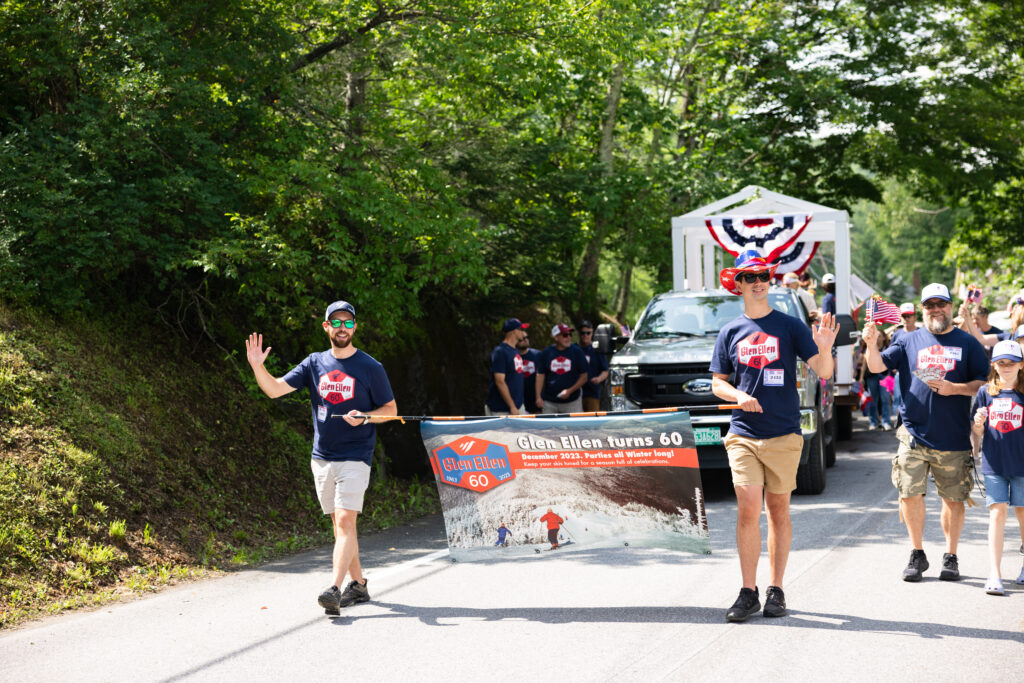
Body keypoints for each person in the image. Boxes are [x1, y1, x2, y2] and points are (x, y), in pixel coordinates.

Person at [245, 300, 397, 615]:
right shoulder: (314, 363)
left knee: (345, 520)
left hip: (356, 455)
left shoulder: (371, 367)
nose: (343, 328)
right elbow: (274, 390)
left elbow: (391, 412)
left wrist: (366, 416)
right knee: (342, 525)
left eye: (348, 322)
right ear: (326, 327)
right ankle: (359, 585)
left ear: (355, 327)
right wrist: (257, 366)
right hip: (322, 458)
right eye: (336, 322)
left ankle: (334, 589)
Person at [710, 250, 838, 622]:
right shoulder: (730, 331)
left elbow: (823, 371)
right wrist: (739, 396)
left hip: (783, 434)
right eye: (750, 277)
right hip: (743, 434)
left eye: (763, 274)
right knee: (749, 507)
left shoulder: (790, 325)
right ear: (739, 284)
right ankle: (747, 592)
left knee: (777, 510)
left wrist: (826, 349)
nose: (759, 282)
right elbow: (717, 384)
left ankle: (776, 588)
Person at [862, 283, 989, 583]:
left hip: (954, 436)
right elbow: (878, 366)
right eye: (929, 305)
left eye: (941, 304)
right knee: (909, 493)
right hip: (913, 433)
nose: (936, 309)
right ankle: (917, 553)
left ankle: (951, 555)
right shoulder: (908, 340)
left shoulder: (967, 343)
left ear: (949, 306)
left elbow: (982, 384)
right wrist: (870, 345)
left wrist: (954, 388)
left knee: (953, 500)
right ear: (922, 310)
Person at [970, 341, 1024, 595]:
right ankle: (995, 572)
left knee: (1023, 516)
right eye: (1001, 363)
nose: (1006, 367)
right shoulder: (985, 392)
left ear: (1021, 364)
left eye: (1011, 363)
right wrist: (978, 424)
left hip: (1022, 464)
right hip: (994, 463)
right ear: (993, 364)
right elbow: (978, 431)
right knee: (997, 514)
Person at [535, 324, 589, 414]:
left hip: (572, 402)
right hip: (549, 402)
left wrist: (569, 391)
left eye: (569, 335)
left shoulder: (577, 351)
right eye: (565, 335)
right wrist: (538, 397)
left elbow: (584, 376)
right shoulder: (546, 353)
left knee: (575, 428)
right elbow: (540, 375)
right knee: (549, 428)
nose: (568, 338)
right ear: (556, 337)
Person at [484, 318, 530, 416]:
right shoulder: (500, 352)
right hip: (502, 409)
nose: (524, 332)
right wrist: (512, 406)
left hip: (518, 406)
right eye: (521, 329)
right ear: (514, 331)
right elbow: (499, 381)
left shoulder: (514, 350)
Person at [889, 303, 918, 419]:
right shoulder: (896, 335)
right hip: (900, 373)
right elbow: (891, 353)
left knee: (917, 398)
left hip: (918, 374)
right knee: (897, 398)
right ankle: (898, 423)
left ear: (915, 317)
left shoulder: (922, 333)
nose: (906, 319)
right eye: (904, 316)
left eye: (909, 316)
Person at [859, 329, 893, 430]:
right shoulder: (869, 348)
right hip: (871, 376)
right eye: (876, 336)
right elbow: (864, 364)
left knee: (885, 399)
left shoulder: (888, 348)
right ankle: (873, 422)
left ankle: (886, 422)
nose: (878, 338)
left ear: (883, 337)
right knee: (873, 400)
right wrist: (861, 378)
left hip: (885, 376)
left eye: (879, 336)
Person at [578, 320, 609, 412]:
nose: (585, 335)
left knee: (592, 420)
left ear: (592, 333)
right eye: (583, 333)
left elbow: (605, 370)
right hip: (574, 394)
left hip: (592, 393)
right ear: (579, 333)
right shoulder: (573, 349)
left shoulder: (597, 350)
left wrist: (598, 379)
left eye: (588, 333)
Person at [516, 331, 541, 414]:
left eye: (527, 337)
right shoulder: (512, 356)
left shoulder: (538, 355)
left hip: (535, 401)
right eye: (522, 339)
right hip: (518, 401)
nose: (526, 340)